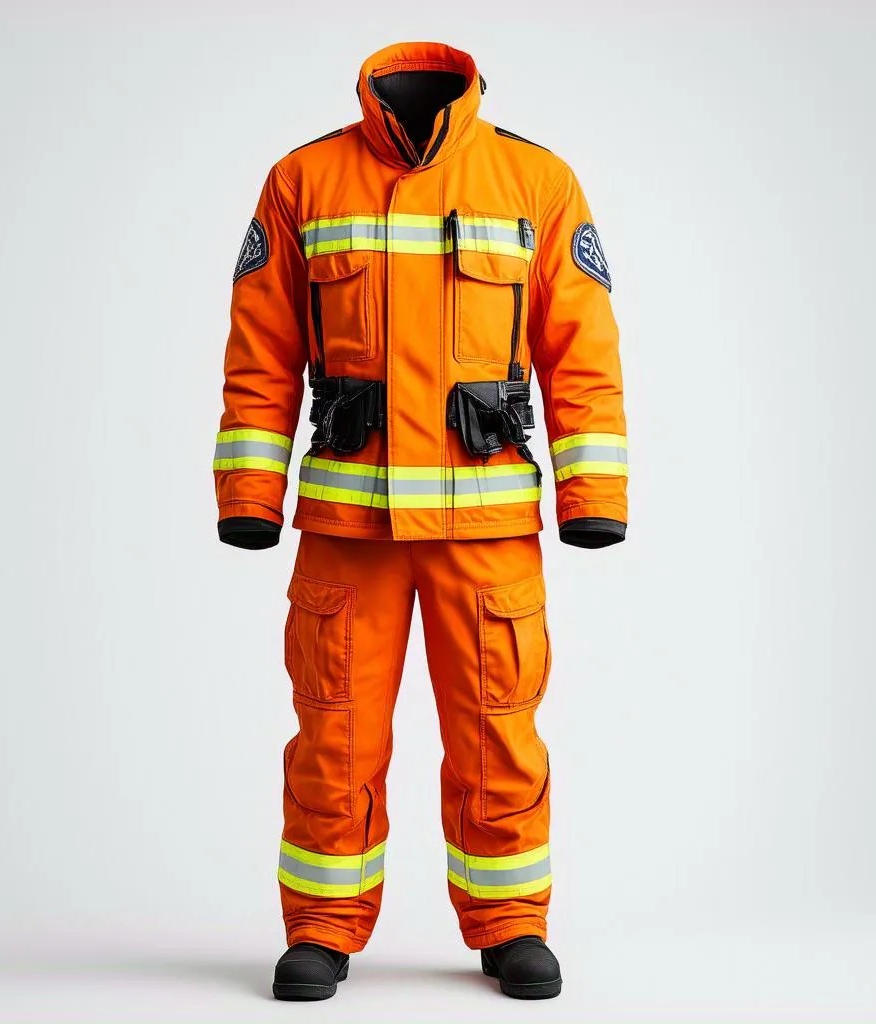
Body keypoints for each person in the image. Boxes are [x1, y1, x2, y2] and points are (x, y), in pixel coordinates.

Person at [213, 40, 628, 1001]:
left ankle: (511, 921)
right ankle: (321, 925)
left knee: (497, 732)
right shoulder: (303, 180)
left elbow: (582, 349)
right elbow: (261, 344)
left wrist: (594, 495)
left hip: (485, 528)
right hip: (349, 526)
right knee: (334, 734)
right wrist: (248, 492)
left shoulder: (535, 181)